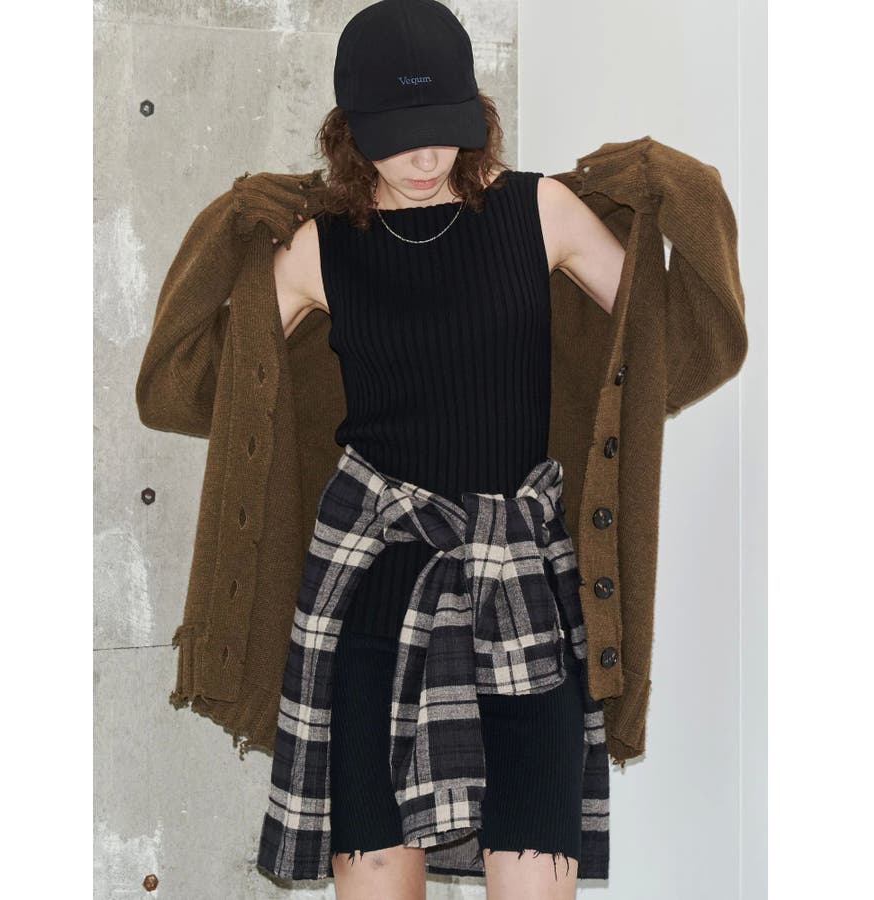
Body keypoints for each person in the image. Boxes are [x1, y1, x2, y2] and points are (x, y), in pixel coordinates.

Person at [262, 2, 625, 897]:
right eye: (400, 139)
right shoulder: (318, 248)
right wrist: (231, 239)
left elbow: (663, 339)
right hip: (379, 587)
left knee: (535, 865)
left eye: (445, 131)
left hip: (520, 589)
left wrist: (670, 199)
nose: (427, 158)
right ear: (350, 134)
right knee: (379, 872)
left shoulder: (540, 209)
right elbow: (206, 382)